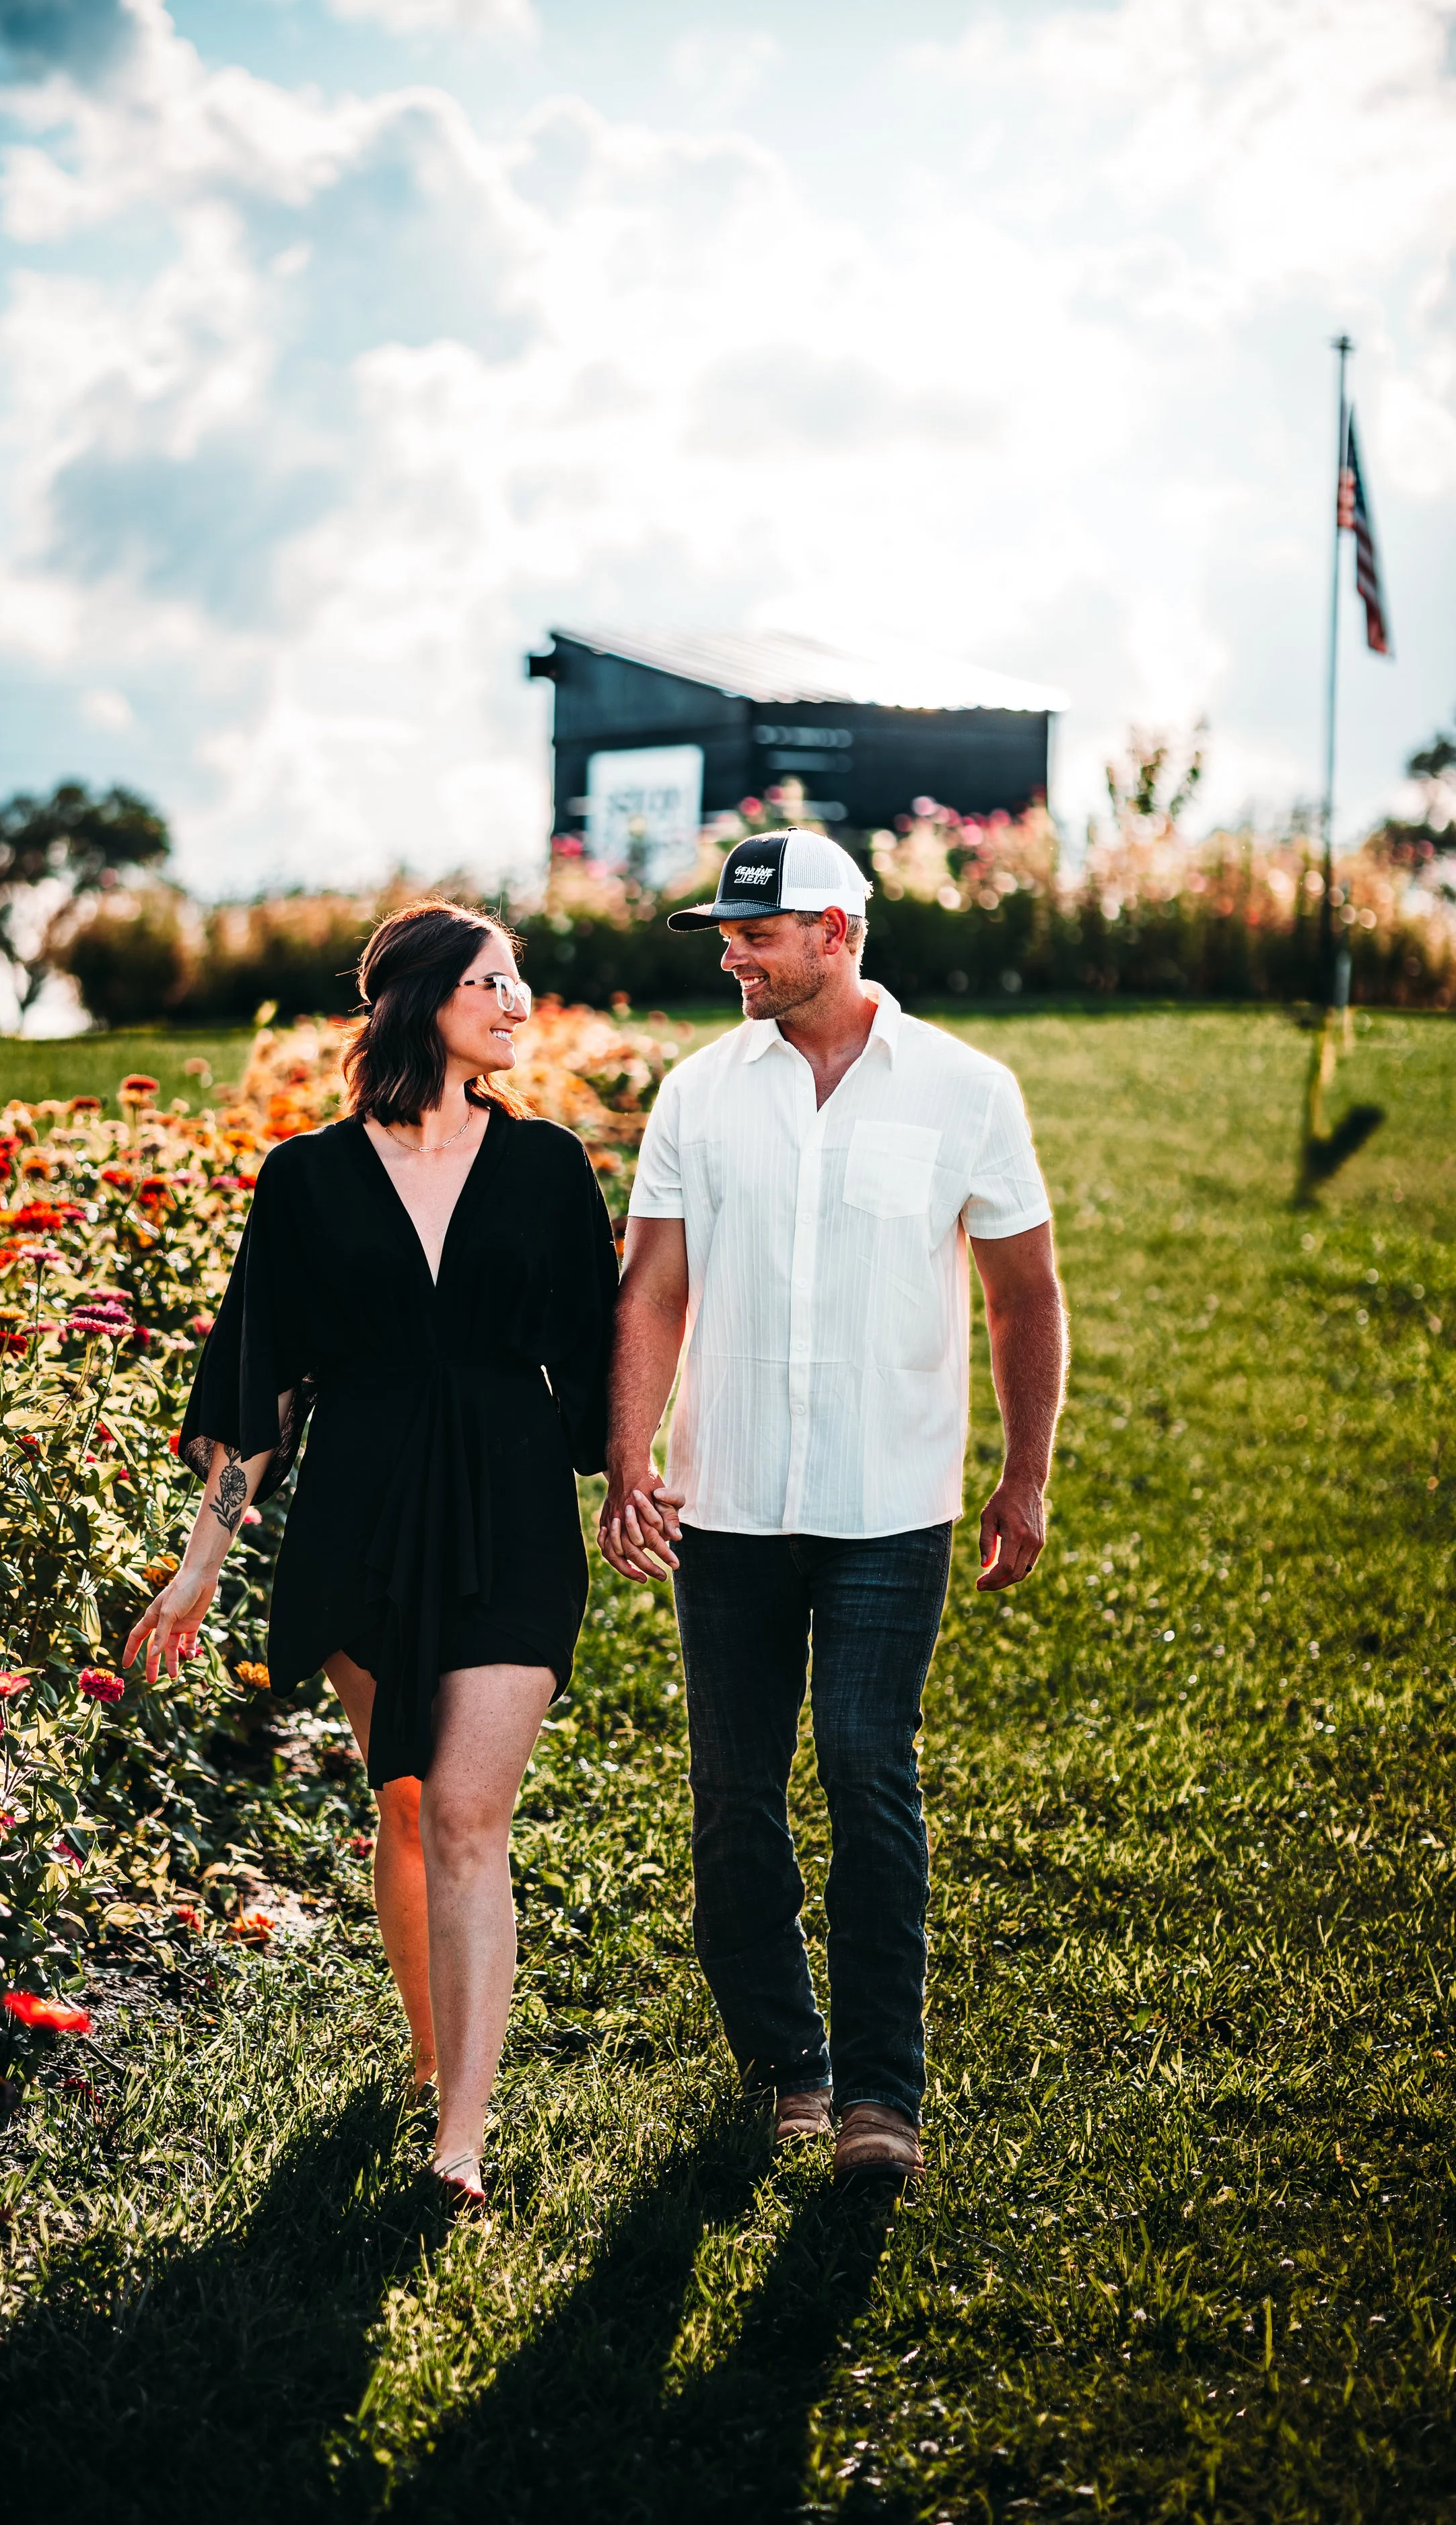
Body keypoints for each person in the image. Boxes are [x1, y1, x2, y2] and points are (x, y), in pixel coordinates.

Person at [125, 901, 618, 2208]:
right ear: (419, 1004)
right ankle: (428, 2053)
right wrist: (200, 1563)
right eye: (493, 982)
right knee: (402, 1799)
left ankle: (459, 2134)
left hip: (510, 1510)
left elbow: (608, 1359)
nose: (517, 1005)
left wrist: (636, 1480)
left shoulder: (550, 1170)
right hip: (357, 1513)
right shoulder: (305, 1182)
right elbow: (255, 1393)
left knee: (465, 1810)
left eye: (520, 983)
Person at [600, 828, 1066, 2188]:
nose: (732, 955)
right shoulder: (697, 1094)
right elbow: (649, 1291)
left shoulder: (965, 1092)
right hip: (726, 1505)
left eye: (755, 934)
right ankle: (785, 2068)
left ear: (836, 933)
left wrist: (1021, 1474)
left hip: (887, 1507)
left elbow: (1020, 1294)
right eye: (726, 936)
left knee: (867, 1770)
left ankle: (878, 2097)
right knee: (731, 1793)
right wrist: (631, 1463)